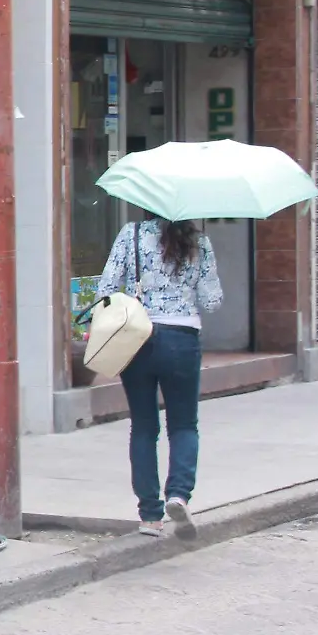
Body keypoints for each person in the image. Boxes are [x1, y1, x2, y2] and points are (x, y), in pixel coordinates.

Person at [95, 214, 222, 540]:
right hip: (182, 339)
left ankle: (150, 516)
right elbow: (212, 301)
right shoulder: (199, 243)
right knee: (183, 424)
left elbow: (106, 288)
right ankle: (178, 495)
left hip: (137, 337)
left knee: (143, 426)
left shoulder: (131, 235)